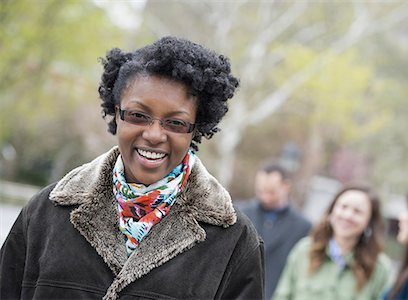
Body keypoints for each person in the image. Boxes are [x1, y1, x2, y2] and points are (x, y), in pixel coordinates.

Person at [0, 36, 264, 300]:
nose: (154, 135)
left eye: (175, 123)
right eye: (138, 116)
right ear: (117, 113)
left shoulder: (234, 241)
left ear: (195, 128)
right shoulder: (45, 213)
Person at [273, 184, 391, 300]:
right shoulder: (304, 251)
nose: (348, 215)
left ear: (369, 221)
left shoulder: (379, 268)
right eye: (343, 207)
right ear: (331, 211)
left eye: (357, 211)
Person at [239, 162, 311, 300]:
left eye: (271, 192)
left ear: (286, 186)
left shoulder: (303, 227)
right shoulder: (241, 214)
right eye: (261, 191)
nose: (265, 197)